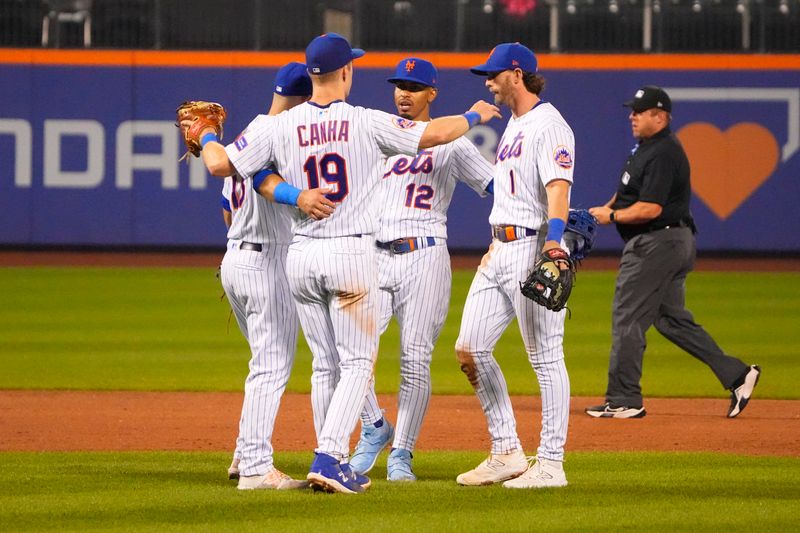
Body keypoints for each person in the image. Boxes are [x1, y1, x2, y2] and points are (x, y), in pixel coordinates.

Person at [193, 32, 501, 494]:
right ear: (345, 72)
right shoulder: (364, 121)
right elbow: (436, 133)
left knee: (325, 364)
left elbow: (220, 167)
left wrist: (208, 135)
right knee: (358, 362)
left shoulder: (278, 126)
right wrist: (476, 113)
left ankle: (326, 451)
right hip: (352, 253)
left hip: (300, 255)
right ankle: (331, 456)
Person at [348, 58, 495, 482]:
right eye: (399, 85)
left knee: (415, 360)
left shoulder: (453, 143)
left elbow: (498, 187)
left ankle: (402, 453)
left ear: (432, 93)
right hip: (372, 255)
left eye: (414, 86)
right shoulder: (375, 136)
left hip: (425, 255)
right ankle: (374, 428)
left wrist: (522, 228)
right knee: (351, 354)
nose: (404, 93)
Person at [585, 85, 761, 420]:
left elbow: (650, 208)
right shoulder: (647, 149)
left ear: (660, 116)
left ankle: (625, 398)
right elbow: (629, 193)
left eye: (640, 111)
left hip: (657, 243)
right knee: (670, 320)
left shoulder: (664, 151)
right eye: (632, 110)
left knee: (628, 318)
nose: (632, 116)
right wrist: (603, 209)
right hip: (670, 242)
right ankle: (737, 374)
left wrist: (613, 217)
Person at [454, 42, 574, 489]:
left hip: (531, 248)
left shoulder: (549, 125)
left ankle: (551, 463)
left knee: (545, 358)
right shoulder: (515, 124)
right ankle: (506, 450)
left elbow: (558, 189)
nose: (487, 81)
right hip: (498, 250)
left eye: (493, 73)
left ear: (517, 74)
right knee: (470, 347)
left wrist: (555, 245)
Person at [217, 62, 312, 490]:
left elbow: (225, 206)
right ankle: (256, 466)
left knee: (262, 361)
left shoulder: (248, 134)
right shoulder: (285, 137)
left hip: (235, 258)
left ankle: (243, 451)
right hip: (268, 260)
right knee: (271, 367)